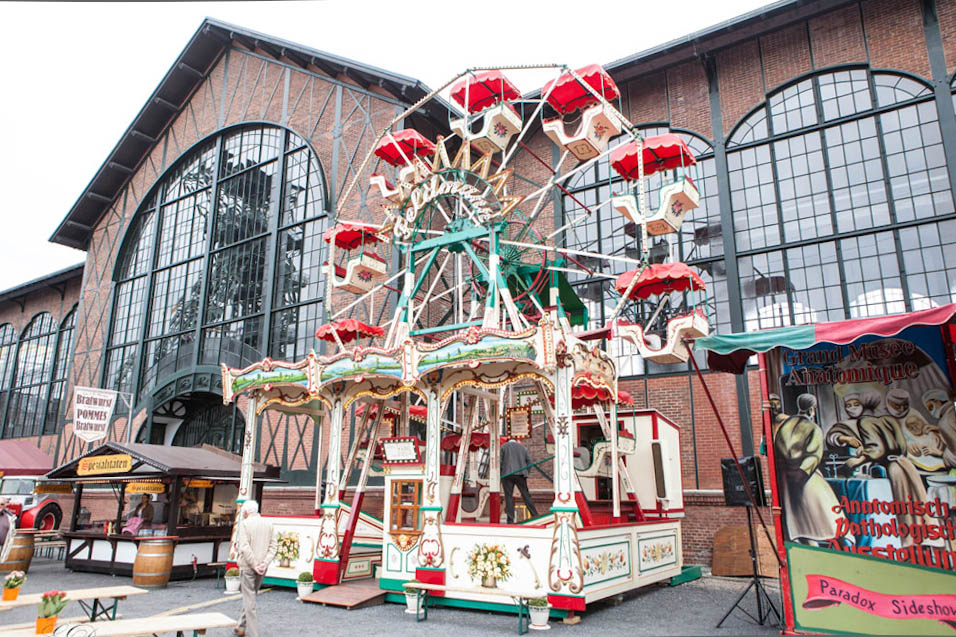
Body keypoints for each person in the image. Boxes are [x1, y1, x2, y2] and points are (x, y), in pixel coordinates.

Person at [773, 393, 845, 545]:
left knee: (796, 519)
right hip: (804, 476)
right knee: (826, 513)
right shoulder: (813, 428)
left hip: (785, 478)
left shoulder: (785, 425)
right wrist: (803, 472)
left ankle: (804, 543)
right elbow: (814, 456)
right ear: (813, 409)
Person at [235, 500, 276, 637]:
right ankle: (240, 625)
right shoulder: (269, 524)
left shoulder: (244, 525)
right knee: (251, 597)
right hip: (262, 567)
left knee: (249, 600)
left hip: (248, 566)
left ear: (246, 512)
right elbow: (273, 546)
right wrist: (264, 563)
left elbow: (244, 547)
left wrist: (254, 564)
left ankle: (253, 634)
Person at [500, 438, 538, 524]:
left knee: (508, 496)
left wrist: (501, 473)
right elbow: (530, 461)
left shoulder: (503, 447)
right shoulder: (523, 448)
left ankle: (510, 519)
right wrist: (526, 472)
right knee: (525, 495)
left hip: (507, 474)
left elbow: (500, 462)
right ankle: (534, 514)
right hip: (521, 474)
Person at [0, 497, 17, 561]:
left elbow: (12, 533)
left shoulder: (10, 518)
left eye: (2, 504)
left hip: (2, 548)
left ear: (5, 505)